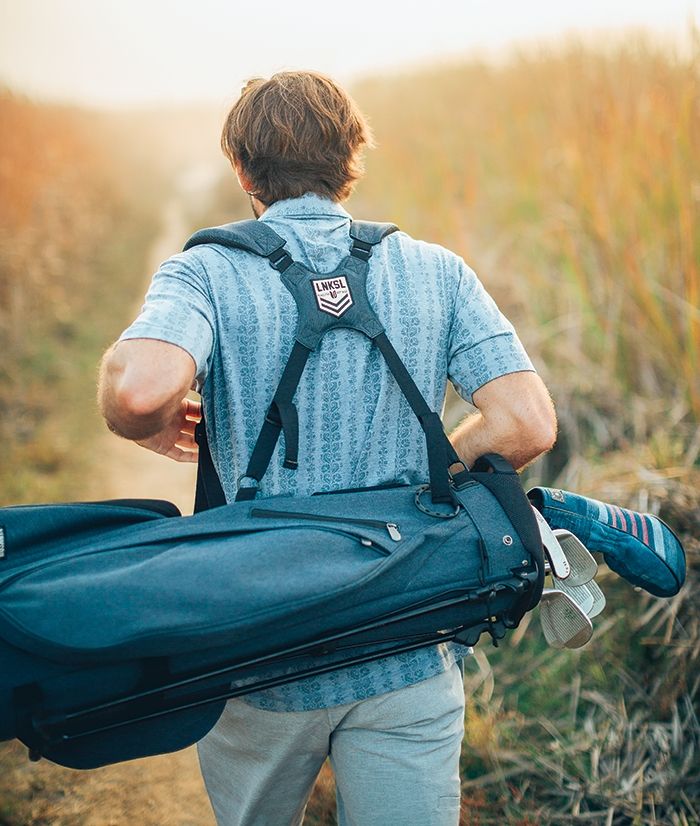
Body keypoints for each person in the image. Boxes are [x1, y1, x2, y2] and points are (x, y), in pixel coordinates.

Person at [98, 70, 556, 826]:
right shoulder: (436, 270)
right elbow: (527, 422)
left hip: (260, 657)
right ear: (352, 159)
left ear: (243, 171)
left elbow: (140, 389)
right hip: (409, 640)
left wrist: (143, 424)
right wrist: (426, 480)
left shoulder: (207, 271)